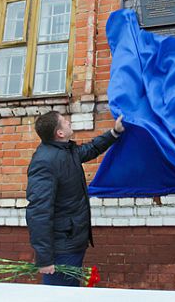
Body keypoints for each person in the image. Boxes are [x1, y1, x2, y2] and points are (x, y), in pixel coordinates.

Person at [26, 111, 125, 286]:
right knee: (59, 294)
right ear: (60, 133)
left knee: (69, 291)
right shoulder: (45, 162)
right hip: (62, 247)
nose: (69, 122)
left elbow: (91, 149)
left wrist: (114, 132)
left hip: (73, 239)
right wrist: (45, 259)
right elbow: (39, 212)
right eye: (64, 121)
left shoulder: (66, 151)